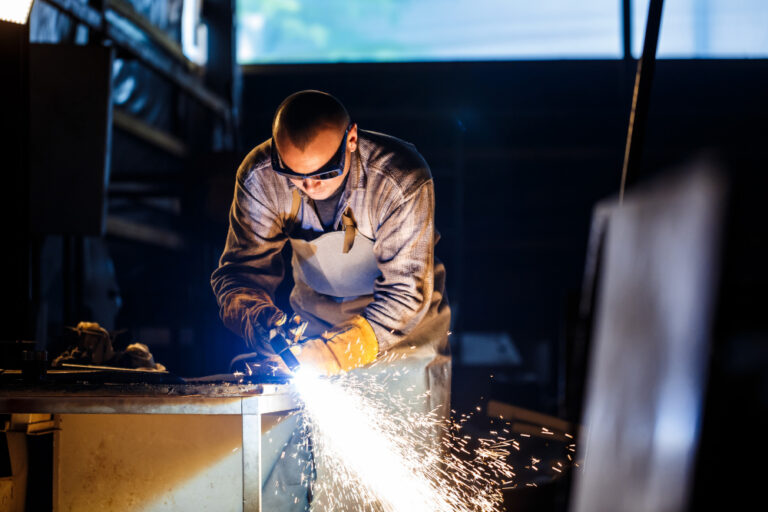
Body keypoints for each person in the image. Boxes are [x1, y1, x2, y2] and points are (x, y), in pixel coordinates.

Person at [211, 90, 450, 509]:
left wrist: (335, 355)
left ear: (351, 139)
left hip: (401, 334)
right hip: (314, 317)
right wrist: (262, 321)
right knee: (289, 473)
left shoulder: (400, 179)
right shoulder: (261, 177)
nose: (310, 187)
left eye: (324, 174)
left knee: (392, 476)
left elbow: (405, 292)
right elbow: (239, 274)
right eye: (296, 177)